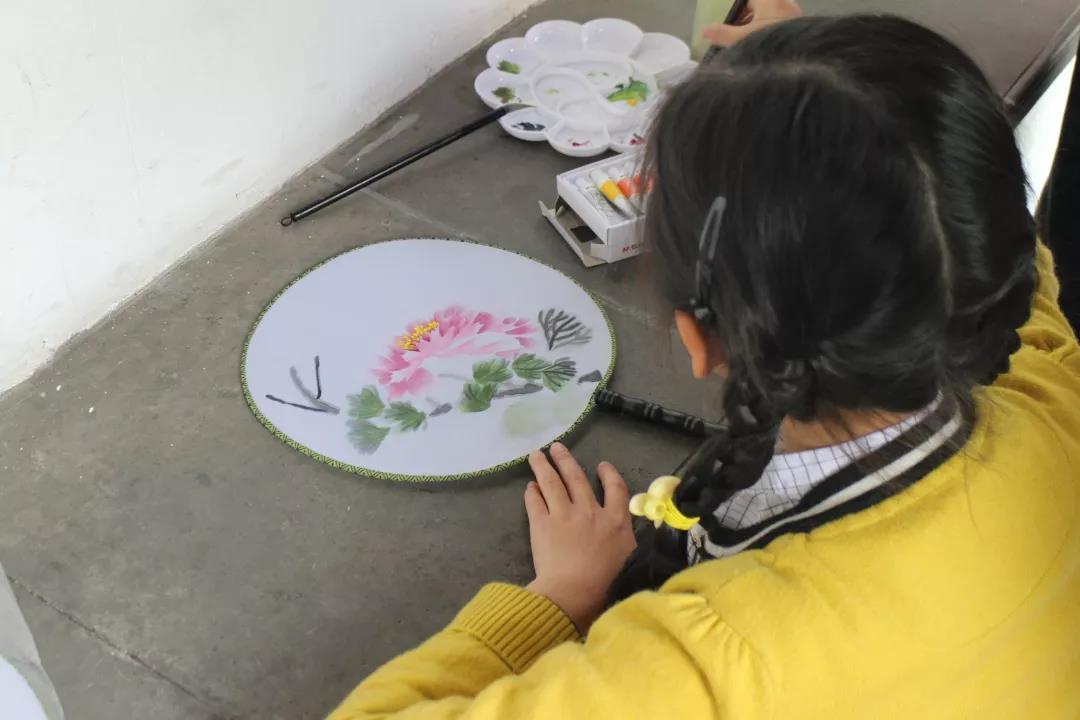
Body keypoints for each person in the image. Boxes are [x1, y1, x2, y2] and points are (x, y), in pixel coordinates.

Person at [327, 5, 1080, 718]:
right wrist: (822, 96)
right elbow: (994, 251)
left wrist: (559, 599)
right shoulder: (1050, 408)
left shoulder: (722, 656)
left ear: (700, 338)